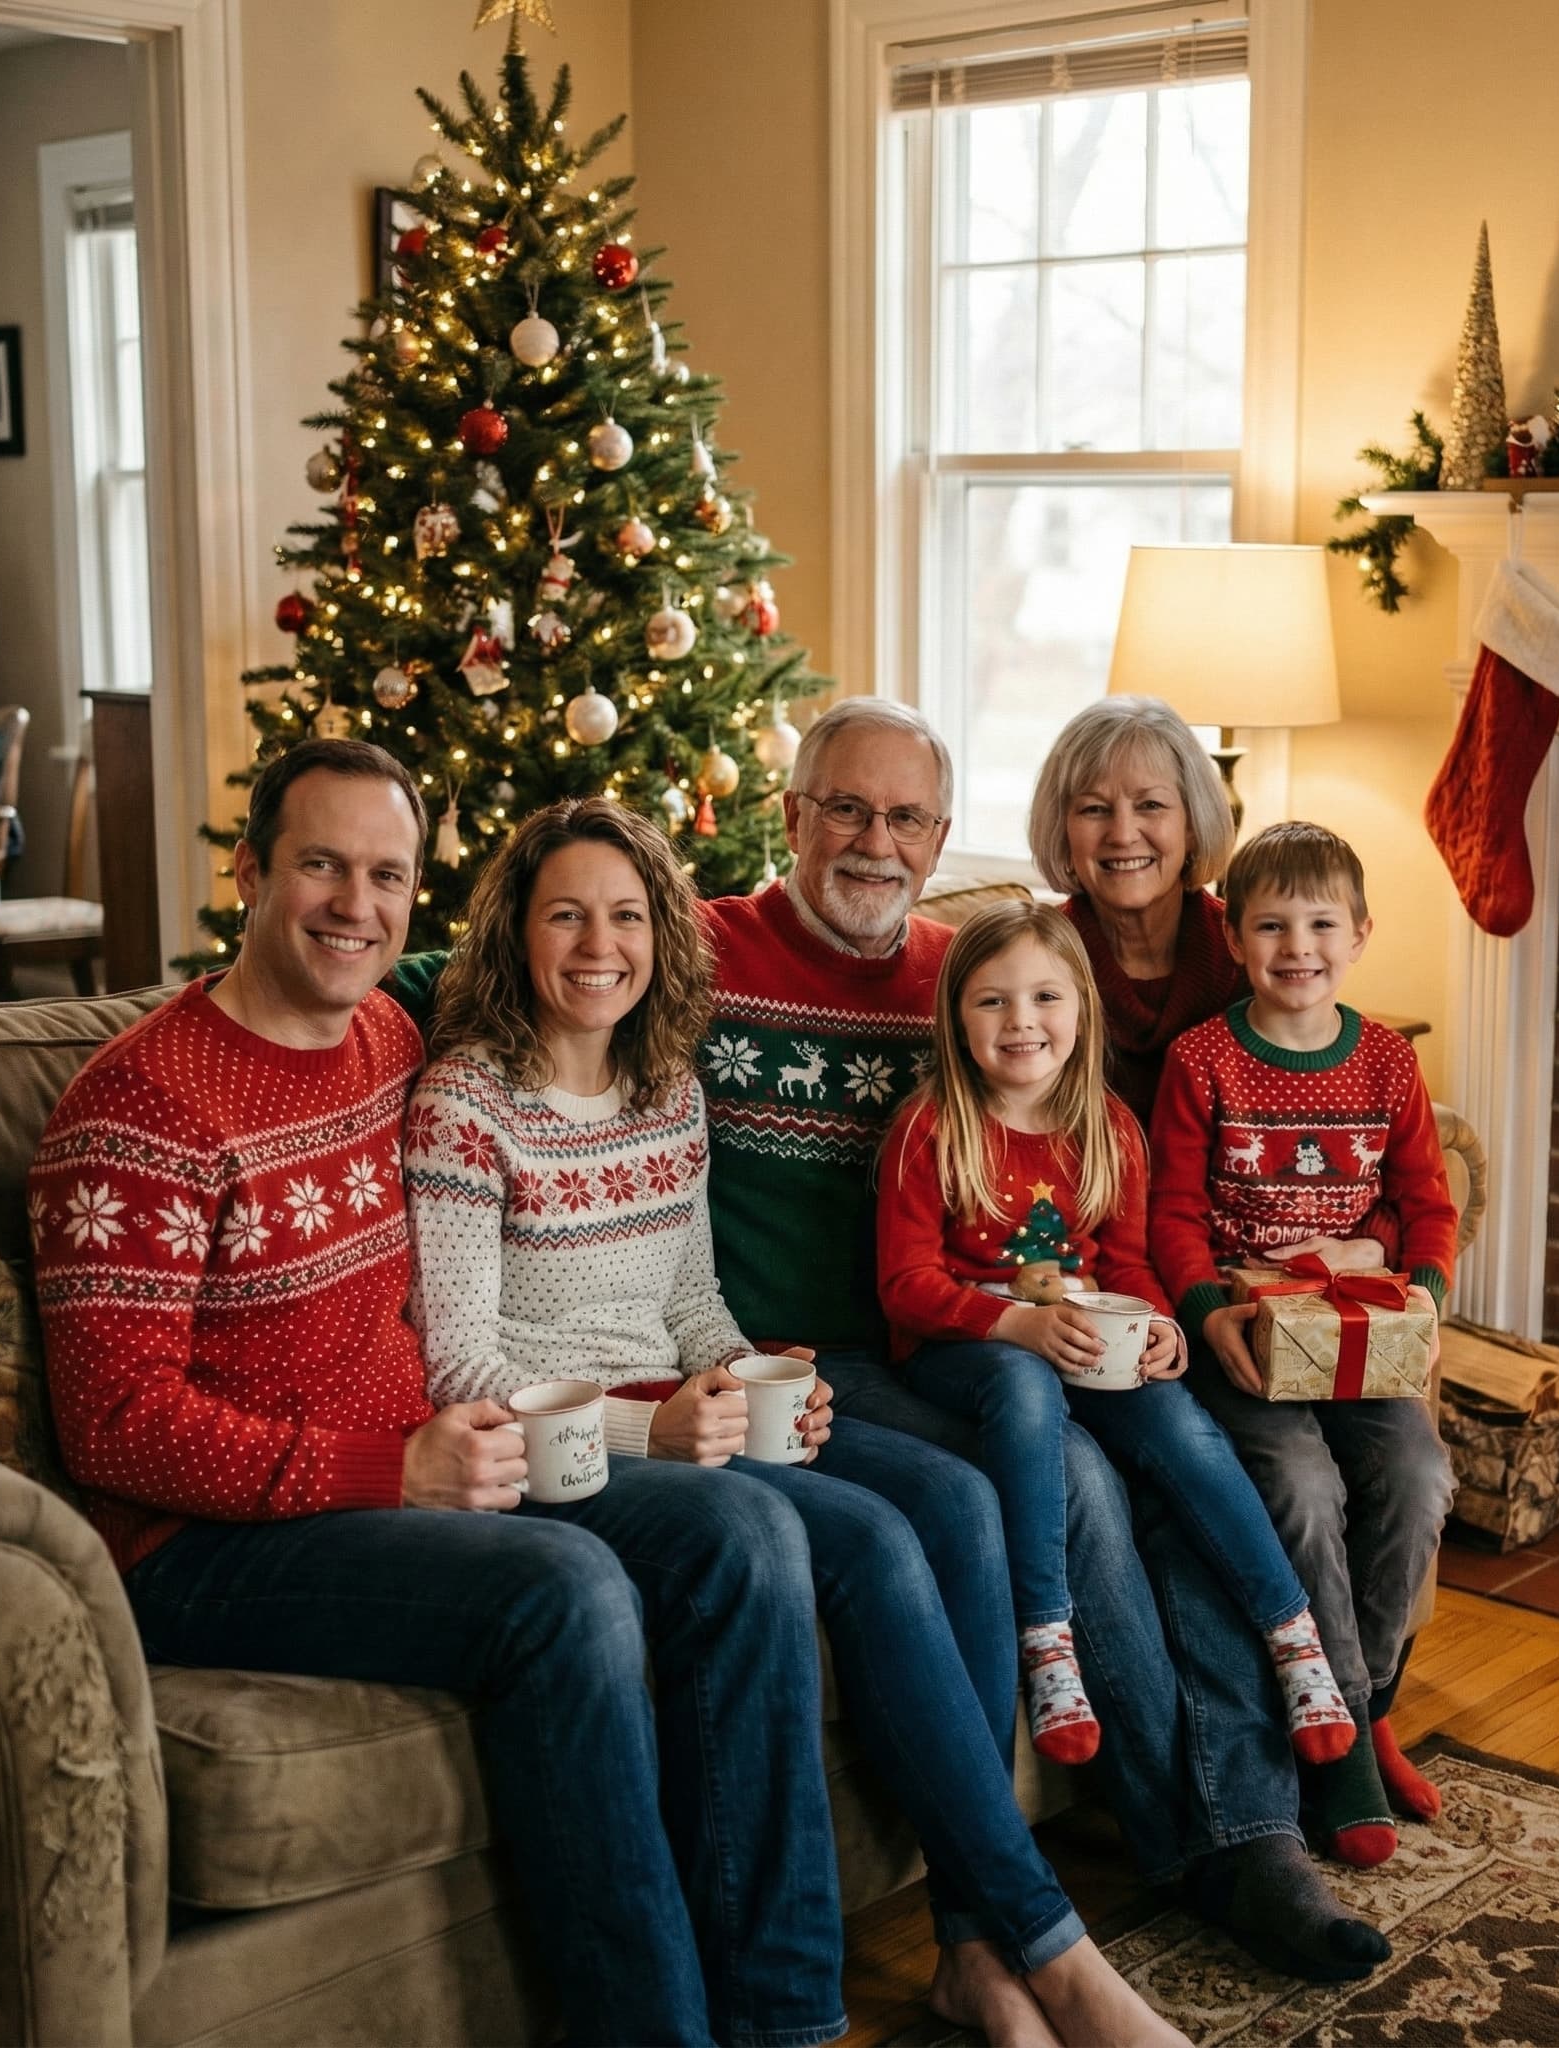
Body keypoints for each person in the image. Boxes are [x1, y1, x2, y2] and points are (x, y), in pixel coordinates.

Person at [28, 739, 836, 2048]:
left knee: (743, 1538)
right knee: (562, 1594)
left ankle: (784, 2021)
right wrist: (383, 1471)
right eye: (321, 867)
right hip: (210, 1547)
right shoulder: (137, 1109)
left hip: (430, 1472)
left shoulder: (393, 1038)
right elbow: (114, 1430)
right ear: (250, 872)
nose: (356, 905)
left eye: (386, 874)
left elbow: (543, 1037)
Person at [404, 793, 1188, 2048]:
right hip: (563, 1442)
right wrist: (646, 1429)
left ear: (664, 933)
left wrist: (756, 1368)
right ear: (515, 933)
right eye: (565, 914)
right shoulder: (465, 1102)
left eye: (624, 915)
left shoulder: (665, 1084)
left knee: (948, 1500)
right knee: (870, 1543)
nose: (597, 944)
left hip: (693, 1410)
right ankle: (1045, 1943)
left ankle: (977, 1948)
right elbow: (465, 1366)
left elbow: (687, 1291)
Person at [697, 696, 1390, 1986]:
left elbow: (1152, 1163)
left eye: (904, 816)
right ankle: (1213, 1841)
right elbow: (500, 962)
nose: (872, 839)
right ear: (790, 815)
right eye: (843, 806)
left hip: (1020, 1335)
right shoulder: (700, 946)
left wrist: (1168, 1312)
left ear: (940, 835)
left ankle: (1265, 1797)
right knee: (1069, 1476)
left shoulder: (960, 968)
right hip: (838, 1352)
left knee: (1170, 1457)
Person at [876, 900, 1357, 1772]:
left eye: (1045, 998)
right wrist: (1016, 1325)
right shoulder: (931, 1126)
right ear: (955, 1018)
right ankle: (1047, 1637)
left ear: (1081, 1011)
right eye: (992, 1002)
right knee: (1023, 1386)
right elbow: (906, 1286)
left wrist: (1164, 1326)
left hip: (1087, 1343)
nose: (1022, 1022)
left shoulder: (1108, 1127)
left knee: (1178, 1421)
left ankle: (1292, 1632)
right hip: (965, 1353)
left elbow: (1129, 1267)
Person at [1149, 820, 1460, 1871]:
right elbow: (1172, 1213)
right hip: (1247, 1348)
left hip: (1359, 1340)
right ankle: (1334, 1752)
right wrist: (1201, 1307)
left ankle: (1362, 1710)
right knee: (1303, 1488)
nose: (1297, 946)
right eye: (1270, 924)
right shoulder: (1201, 1062)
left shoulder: (1383, 1062)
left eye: (1321, 923)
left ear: (1360, 933)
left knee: (1417, 1475)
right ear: (1232, 937)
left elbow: (1424, 1200)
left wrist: (1419, 1292)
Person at [1027, 696, 1244, 1125]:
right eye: (1094, 809)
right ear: (1063, 830)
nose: (1123, 835)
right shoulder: (1032, 961)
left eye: (1150, 805)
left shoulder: (1248, 953)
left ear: (1193, 826)